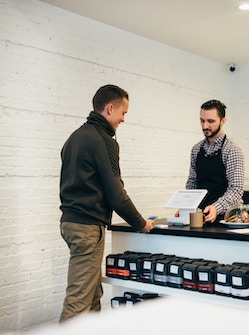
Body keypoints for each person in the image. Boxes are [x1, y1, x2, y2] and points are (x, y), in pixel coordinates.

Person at [59, 84, 154, 322]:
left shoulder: (74, 138)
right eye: (123, 113)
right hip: (88, 227)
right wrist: (140, 223)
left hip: (70, 223)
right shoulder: (103, 140)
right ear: (110, 109)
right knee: (79, 300)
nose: (123, 119)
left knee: (92, 293)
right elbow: (115, 192)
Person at [185, 99, 244, 224]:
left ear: (223, 121)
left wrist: (216, 208)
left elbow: (236, 189)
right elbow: (192, 183)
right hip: (201, 218)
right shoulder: (196, 149)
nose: (205, 126)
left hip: (227, 219)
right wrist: (186, 206)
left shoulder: (232, 150)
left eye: (211, 121)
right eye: (202, 121)